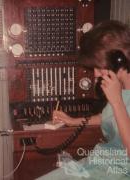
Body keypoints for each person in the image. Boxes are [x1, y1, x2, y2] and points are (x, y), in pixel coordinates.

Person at [36, 20, 130, 180]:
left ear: (118, 59)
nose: (95, 74)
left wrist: (117, 102)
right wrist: (73, 121)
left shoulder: (117, 95)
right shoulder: (120, 88)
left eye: (98, 66)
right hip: (100, 161)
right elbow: (109, 117)